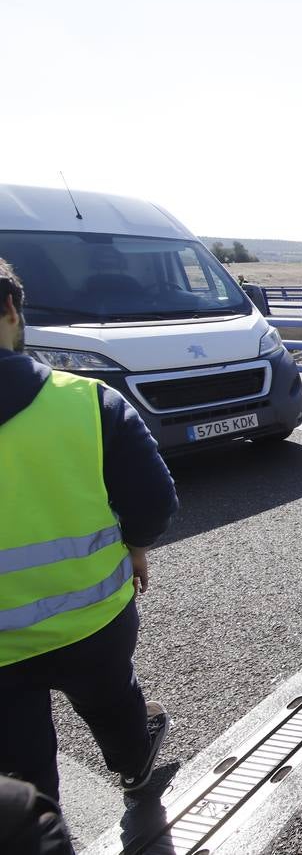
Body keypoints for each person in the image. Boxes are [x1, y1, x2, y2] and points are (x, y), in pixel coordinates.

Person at [0, 258, 178, 803]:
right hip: (93, 615)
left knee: (19, 764)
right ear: (10, 309)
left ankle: (37, 827)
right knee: (113, 703)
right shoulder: (85, 400)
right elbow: (153, 498)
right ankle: (134, 771)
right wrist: (138, 547)